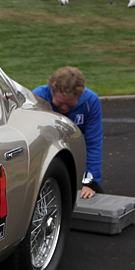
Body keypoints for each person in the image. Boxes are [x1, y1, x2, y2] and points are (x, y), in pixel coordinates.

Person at [33, 67, 103, 198]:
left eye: (70, 104)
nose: (64, 108)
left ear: (79, 96)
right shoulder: (38, 97)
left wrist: (89, 183)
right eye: (60, 103)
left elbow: (93, 144)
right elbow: (34, 140)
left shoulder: (91, 101)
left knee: (92, 197)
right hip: (48, 157)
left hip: (76, 155)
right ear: (52, 92)